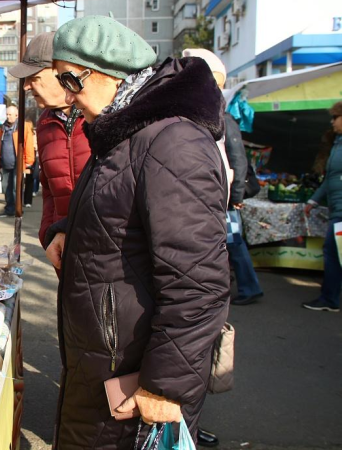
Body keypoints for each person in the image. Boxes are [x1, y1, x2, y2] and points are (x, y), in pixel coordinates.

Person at [44, 16, 230, 447]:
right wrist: (68, 229)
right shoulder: (123, 132)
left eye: (70, 80)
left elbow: (198, 282)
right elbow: (120, 207)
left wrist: (165, 386)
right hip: (107, 360)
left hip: (136, 372)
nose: (67, 98)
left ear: (108, 73)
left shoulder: (172, 142)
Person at [184, 48, 263, 311]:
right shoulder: (200, 117)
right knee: (227, 244)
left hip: (227, 197)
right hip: (216, 195)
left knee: (234, 243)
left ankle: (251, 288)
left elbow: (239, 162)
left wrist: (237, 196)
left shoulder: (226, 119)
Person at [8, 31, 90, 246]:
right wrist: (48, 233)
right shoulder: (45, 122)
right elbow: (49, 190)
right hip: (62, 247)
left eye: (34, 78)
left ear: (62, 72)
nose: (26, 86)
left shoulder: (101, 116)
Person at [303, 101, 342, 313]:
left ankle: (329, 298)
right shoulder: (337, 143)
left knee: (333, 251)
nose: (332, 122)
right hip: (336, 209)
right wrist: (313, 200)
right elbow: (330, 178)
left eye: (336, 117)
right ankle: (330, 297)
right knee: (334, 251)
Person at [0, 105, 35, 217]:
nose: (8, 117)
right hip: (5, 163)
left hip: (18, 163)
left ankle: (17, 210)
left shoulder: (23, 126)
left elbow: (29, 144)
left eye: (10, 115)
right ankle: (9, 209)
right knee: (6, 188)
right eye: (7, 114)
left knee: (16, 188)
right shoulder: (3, 127)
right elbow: (0, 145)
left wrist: (29, 161)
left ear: (16, 115)